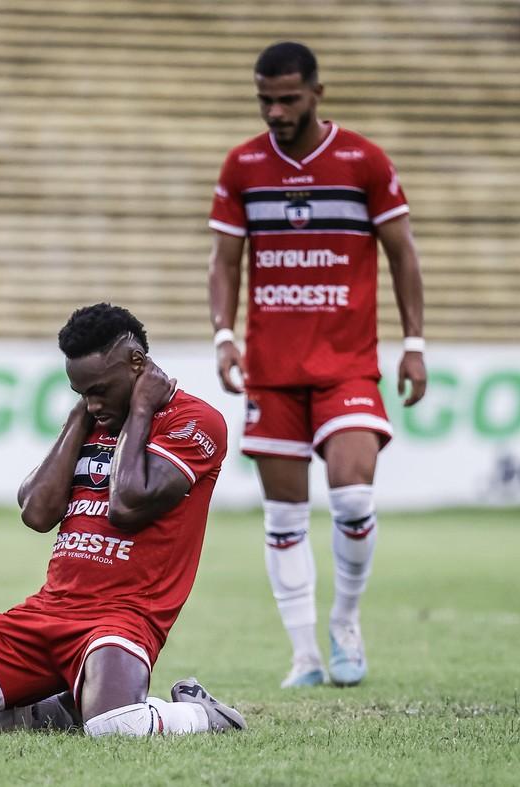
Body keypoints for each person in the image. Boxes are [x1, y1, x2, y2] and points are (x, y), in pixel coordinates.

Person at [0, 303, 246, 736]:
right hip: (48, 610)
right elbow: (36, 512)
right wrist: (79, 417)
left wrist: (143, 410)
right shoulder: (93, 415)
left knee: (116, 728)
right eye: (81, 392)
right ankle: (59, 709)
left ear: (137, 365)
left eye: (99, 390)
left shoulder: (195, 421)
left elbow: (127, 506)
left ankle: (205, 716)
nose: (92, 402)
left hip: (122, 617)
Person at [207, 42, 427, 688]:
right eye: (264, 99)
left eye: (288, 99)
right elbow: (224, 260)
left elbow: (403, 253)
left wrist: (414, 344)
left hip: (347, 364)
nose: (275, 111)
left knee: (354, 495)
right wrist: (223, 334)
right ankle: (304, 654)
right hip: (272, 368)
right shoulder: (243, 165)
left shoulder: (364, 160)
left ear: (317, 94)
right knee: (284, 515)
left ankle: (347, 622)